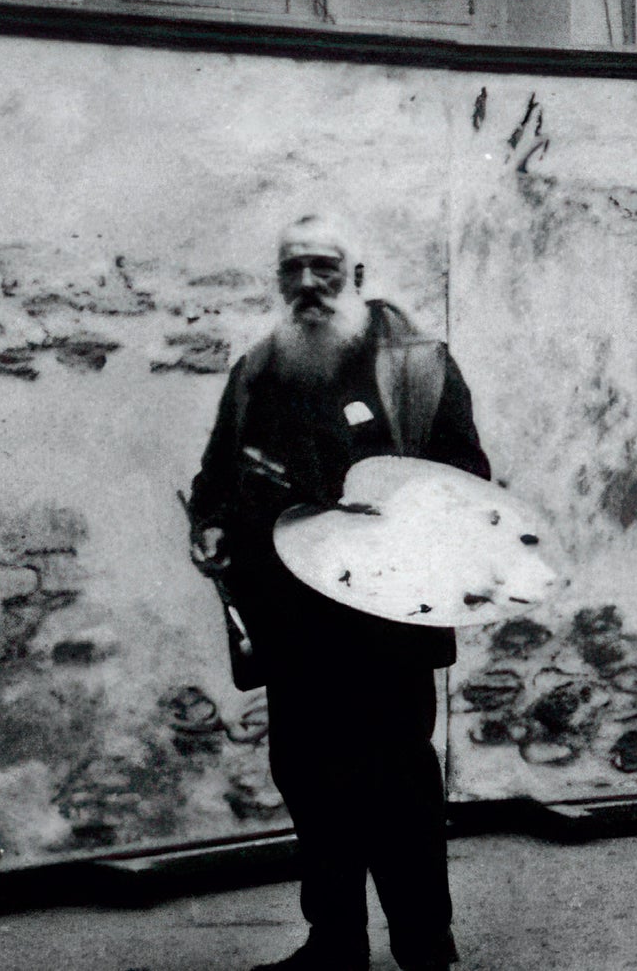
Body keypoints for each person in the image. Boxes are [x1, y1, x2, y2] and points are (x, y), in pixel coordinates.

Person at [186, 214, 491, 971]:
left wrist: (388, 509)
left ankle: (424, 944)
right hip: (291, 620)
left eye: (324, 266)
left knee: (398, 783)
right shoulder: (258, 370)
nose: (307, 283)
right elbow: (218, 476)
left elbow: (465, 478)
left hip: (386, 618)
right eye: (292, 268)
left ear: (355, 276)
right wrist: (211, 525)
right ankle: (334, 943)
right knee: (308, 779)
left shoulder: (416, 366)